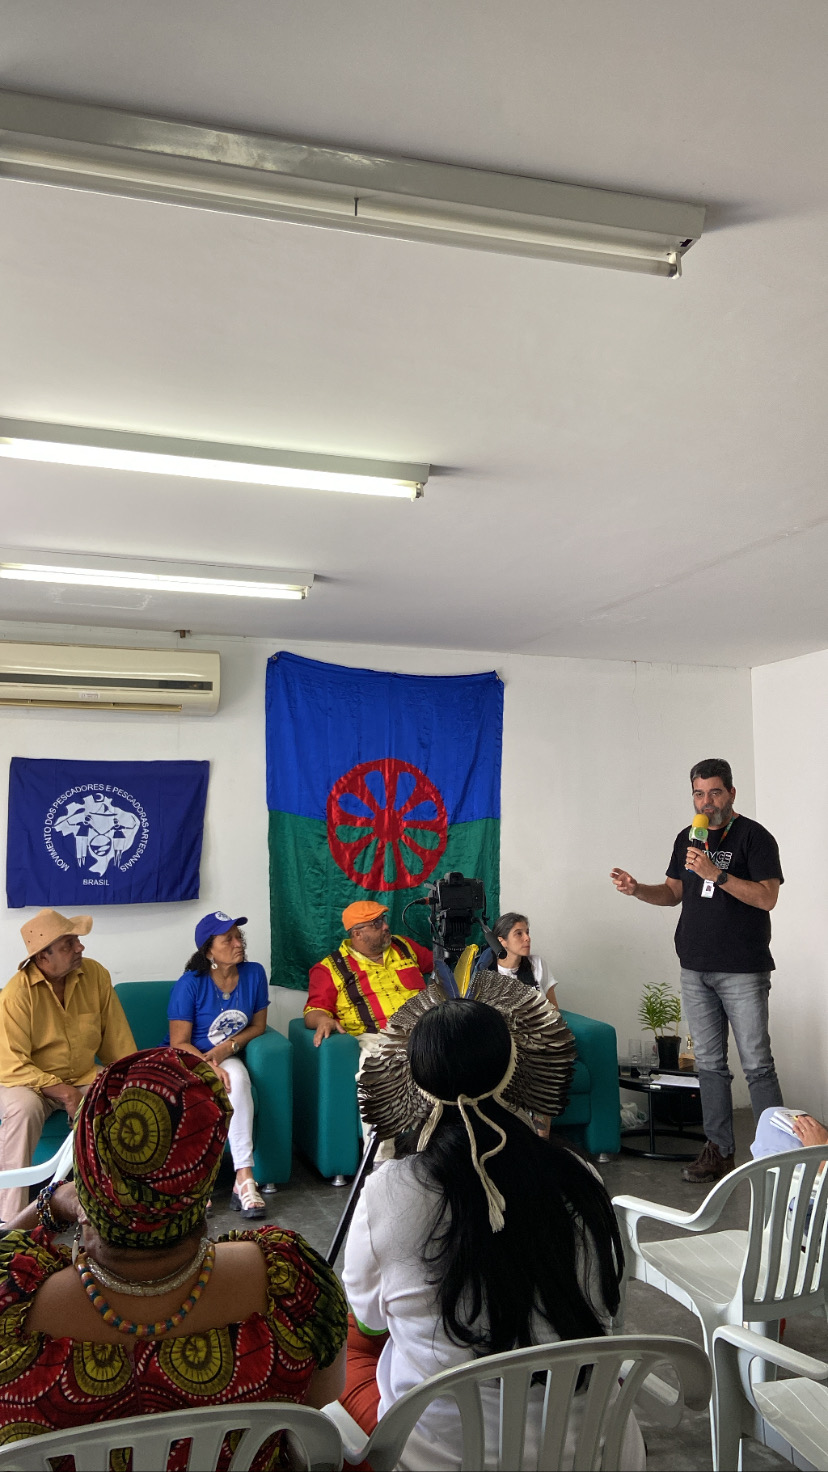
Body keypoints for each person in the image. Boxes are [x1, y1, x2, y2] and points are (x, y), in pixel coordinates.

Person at [340, 980, 643, 1471]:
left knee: (357, 1341)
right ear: (513, 1068)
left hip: (444, 1458)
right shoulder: (579, 1174)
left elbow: (370, 1319)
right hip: (590, 1449)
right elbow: (608, 1304)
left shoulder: (388, 1190)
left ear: (412, 1079)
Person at [0, 1047, 347, 1454]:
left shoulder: (12, 1304)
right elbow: (320, 1402)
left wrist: (53, 1201)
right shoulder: (291, 1284)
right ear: (205, 1166)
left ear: (89, 1167)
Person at [611, 757, 784, 1183]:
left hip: (742, 970)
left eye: (715, 792)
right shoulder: (687, 838)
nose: (707, 802)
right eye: (699, 794)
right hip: (695, 968)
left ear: (731, 793)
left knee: (757, 1064)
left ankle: (776, 1156)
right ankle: (719, 1151)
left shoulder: (755, 837)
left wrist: (716, 874)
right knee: (709, 1065)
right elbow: (673, 893)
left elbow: (767, 898)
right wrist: (637, 890)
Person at [0, 908, 136, 1222]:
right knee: (23, 1110)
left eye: (76, 940)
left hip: (82, 1075)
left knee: (123, 1097)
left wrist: (132, 1081)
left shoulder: (96, 975)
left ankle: (119, 1207)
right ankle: (10, 1221)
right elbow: (11, 1064)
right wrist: (64, 1092)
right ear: (42, 958)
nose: (80, 947)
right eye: (68, 944)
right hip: (28, 1082)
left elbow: (117, 1043)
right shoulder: (16, 995)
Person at [168, 911, 269, 1219]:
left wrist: (228, 1048)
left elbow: (258, 1026)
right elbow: (179, 1042)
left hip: (225, 1056)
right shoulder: (189, 984)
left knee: (238, 1079)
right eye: (229, 939)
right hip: (188, 1058)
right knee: (196, 1090)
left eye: (239, 937)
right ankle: (196, 1182)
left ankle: (244, 1177)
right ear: (209, 951)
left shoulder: (254, 974)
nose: (238, 943)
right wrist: (208, 1065)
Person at [304, 900, 433, 1047]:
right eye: (377, 923)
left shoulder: (404, 945)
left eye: (383, 919)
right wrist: (323, 1020)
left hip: (428, 1030)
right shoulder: (330, 968)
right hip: (378, 1039)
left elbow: (441, 965)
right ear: (357, 934)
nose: (386, 926)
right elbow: (314, 1011)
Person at [475, 911, 560, 1007]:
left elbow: (553, 1007)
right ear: (501, 941)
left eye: (527, 932)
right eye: (519, 933)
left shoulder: (538, 963)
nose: (527, 938)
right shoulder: (485, 972)